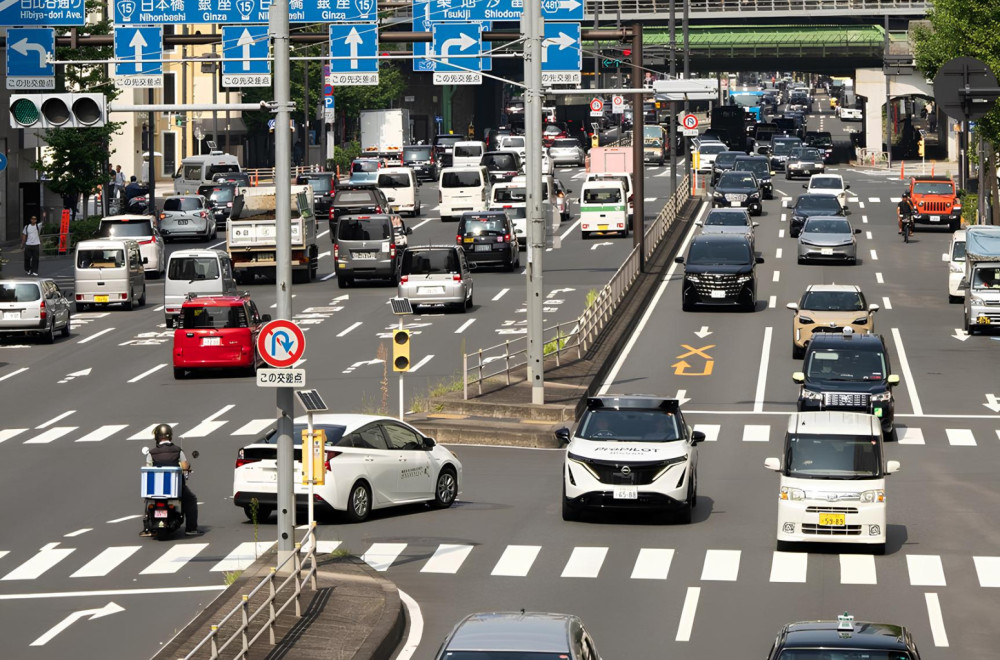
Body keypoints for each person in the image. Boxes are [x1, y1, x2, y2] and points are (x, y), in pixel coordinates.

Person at [141, 424, 201, 537]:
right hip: (175, 488)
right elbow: (185, 466)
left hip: (156, 490)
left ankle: (146, 528)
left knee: (148, 499)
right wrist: (187, 468)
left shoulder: (151, 453)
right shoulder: (178, 451)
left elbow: (149, 468)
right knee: (191, 500)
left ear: (157, 437)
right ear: (170, 436)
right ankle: (191, 528)